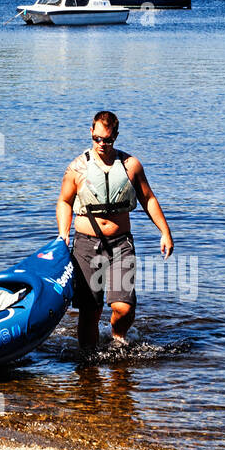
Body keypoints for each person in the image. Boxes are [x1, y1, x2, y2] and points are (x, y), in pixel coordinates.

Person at [56, 110, 174, 352]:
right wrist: (63, 234)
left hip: (120, 244)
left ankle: (117, 338)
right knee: (90, 309)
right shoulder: (77, 168)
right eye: (97, 138)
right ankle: (88, 360)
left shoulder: (131, 165)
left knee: (124, 307)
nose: (102, 144)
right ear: (91, 132)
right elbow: (64, 202)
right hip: (85, 244)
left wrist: (165, 231)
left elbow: (148, 198)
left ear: (116, 136)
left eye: (107, 140)